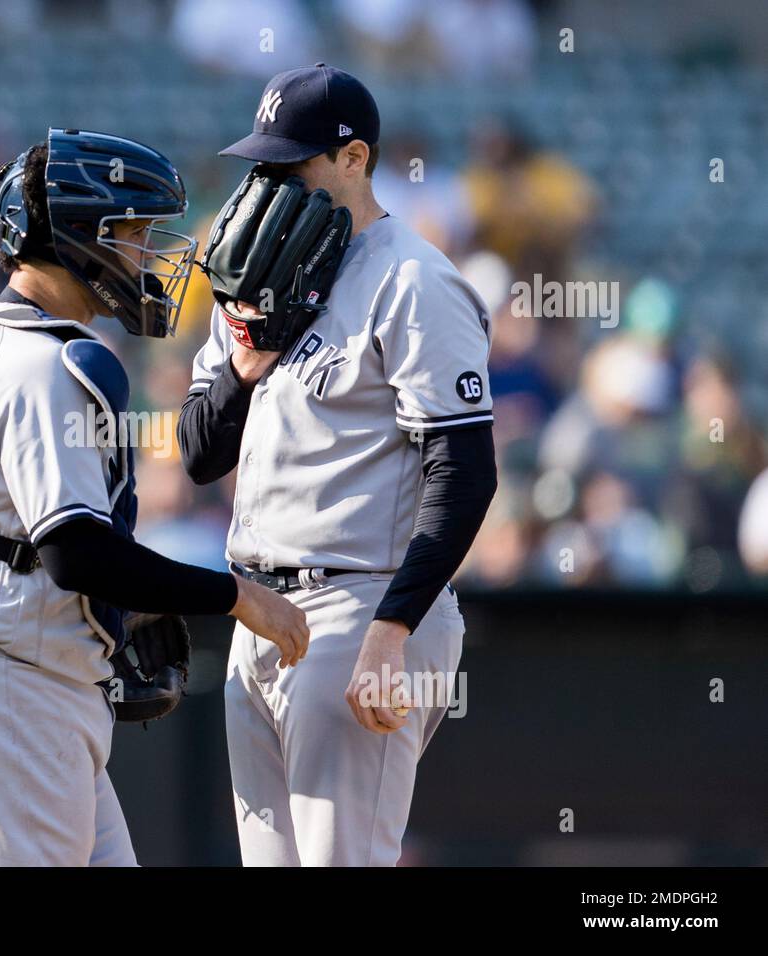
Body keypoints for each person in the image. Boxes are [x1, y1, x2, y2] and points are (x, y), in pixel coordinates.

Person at [0, 128, 308, 867]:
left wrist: (91, 616)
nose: (150, 255)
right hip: (7, 688)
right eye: (135, 233)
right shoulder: (42, 364)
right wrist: (236, 597)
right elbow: (78, 554)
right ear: (81, 235)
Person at [178, 66, 498, 866]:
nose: (270, 180)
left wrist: (392, 632)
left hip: (359, 605)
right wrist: (244, 365)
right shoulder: (254, 276)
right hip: (259, 614)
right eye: (263, 164)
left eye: (294, 164)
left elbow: (464, 472)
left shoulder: (413, 279)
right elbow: (196, 453)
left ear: (354, 158)